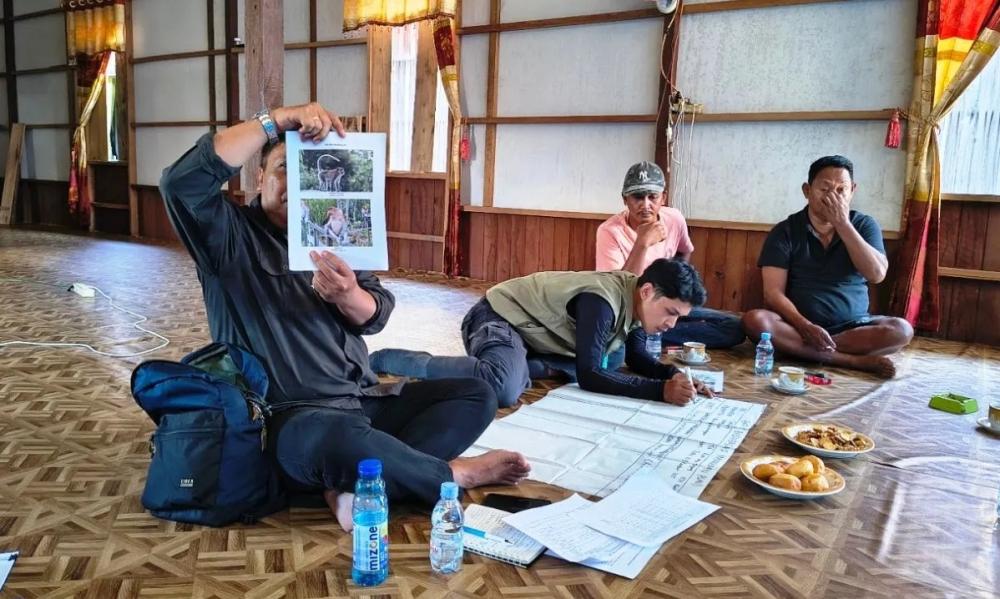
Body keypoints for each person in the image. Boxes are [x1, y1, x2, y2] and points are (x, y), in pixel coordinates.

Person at [159, 102, 529, 533]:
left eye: (309, 171)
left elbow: (377, 313)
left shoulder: (338, 232)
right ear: (258, 177)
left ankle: (355, 483)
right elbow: (179, 184)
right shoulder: (228, 236)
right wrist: (276, 120)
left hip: (361, 401)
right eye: (283, 168)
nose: (297, 182)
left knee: (476, 394)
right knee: (337, 438)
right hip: (293, 419)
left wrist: (348, 294)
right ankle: (449, 474)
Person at [370, 258, 715, 409]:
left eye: (678, 318)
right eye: (670, 313)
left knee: (619, 358)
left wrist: (675, 375)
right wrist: (661, 392)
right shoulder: (602, 301)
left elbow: (639, 358)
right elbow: (590, 375)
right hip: (497, 317)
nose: (671, 325)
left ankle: (525, 366)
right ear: (647, 291)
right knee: (503, 388)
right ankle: (399, 360)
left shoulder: (638, 306)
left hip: (533, 336)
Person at [741, 155, 913, 378]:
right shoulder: (785, 231)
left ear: (853, 191)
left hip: (853, 327)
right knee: (755, 321)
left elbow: (877, 274)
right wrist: (804, 326)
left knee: (901, 330)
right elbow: (772, 294)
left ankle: (803, 351)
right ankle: (850, 360)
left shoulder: (864, 225)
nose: (833, 196)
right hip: (798, 326)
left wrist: (842, 224)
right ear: (807, 190)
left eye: (842, 190)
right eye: (824, 189)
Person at [596, 161, 745, 349]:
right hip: (634, 314)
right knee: (622, 330)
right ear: (625, 200)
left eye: (653, 197)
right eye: (637, 197)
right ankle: (648, 336)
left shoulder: (674, 219)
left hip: (669, 305)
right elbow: (615, 291)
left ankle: (655, 336)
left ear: (663, 198)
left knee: (734, 326)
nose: (646, 205)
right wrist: (642, 243)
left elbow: (685, 251)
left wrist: (677, 293)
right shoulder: (609, 231)